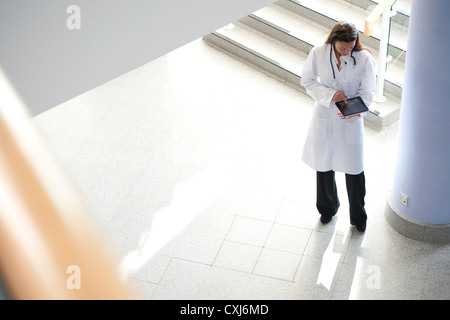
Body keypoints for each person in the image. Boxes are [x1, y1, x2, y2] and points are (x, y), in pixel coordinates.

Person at [300, 21, 376, 232]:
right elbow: (307, 80)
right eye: (342, 48)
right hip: (324, 115)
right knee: (323, 165)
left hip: (350, 120)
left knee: (354, 170)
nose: (346, 52)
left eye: (350, 48)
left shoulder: (364, 58)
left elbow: (368, 92)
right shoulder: (318, 53)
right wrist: (329, 95)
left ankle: (359, 216)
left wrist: (355, 111)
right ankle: (327, 209)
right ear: (334, 41)